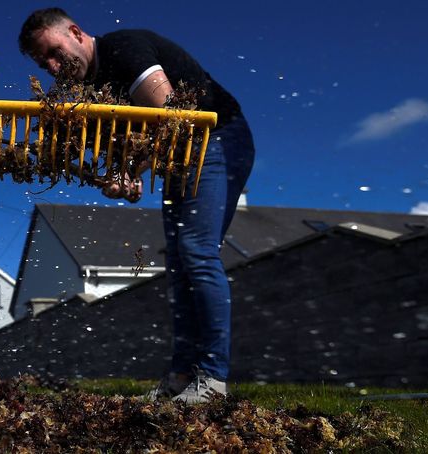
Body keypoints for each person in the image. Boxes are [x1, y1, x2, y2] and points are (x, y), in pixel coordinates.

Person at [19, 8, 255, 404]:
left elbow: (175, 118)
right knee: (179, 264)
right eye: (44, 63)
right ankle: (182, 376)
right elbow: (143, 145)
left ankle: (212, 380)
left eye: (55, 53)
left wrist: (133, 168)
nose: (54, 67)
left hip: (218, 139)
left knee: (197, 252)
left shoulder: (122, 50)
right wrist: (127, 175)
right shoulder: (93, 90)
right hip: (182, 154)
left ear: (75, 32)